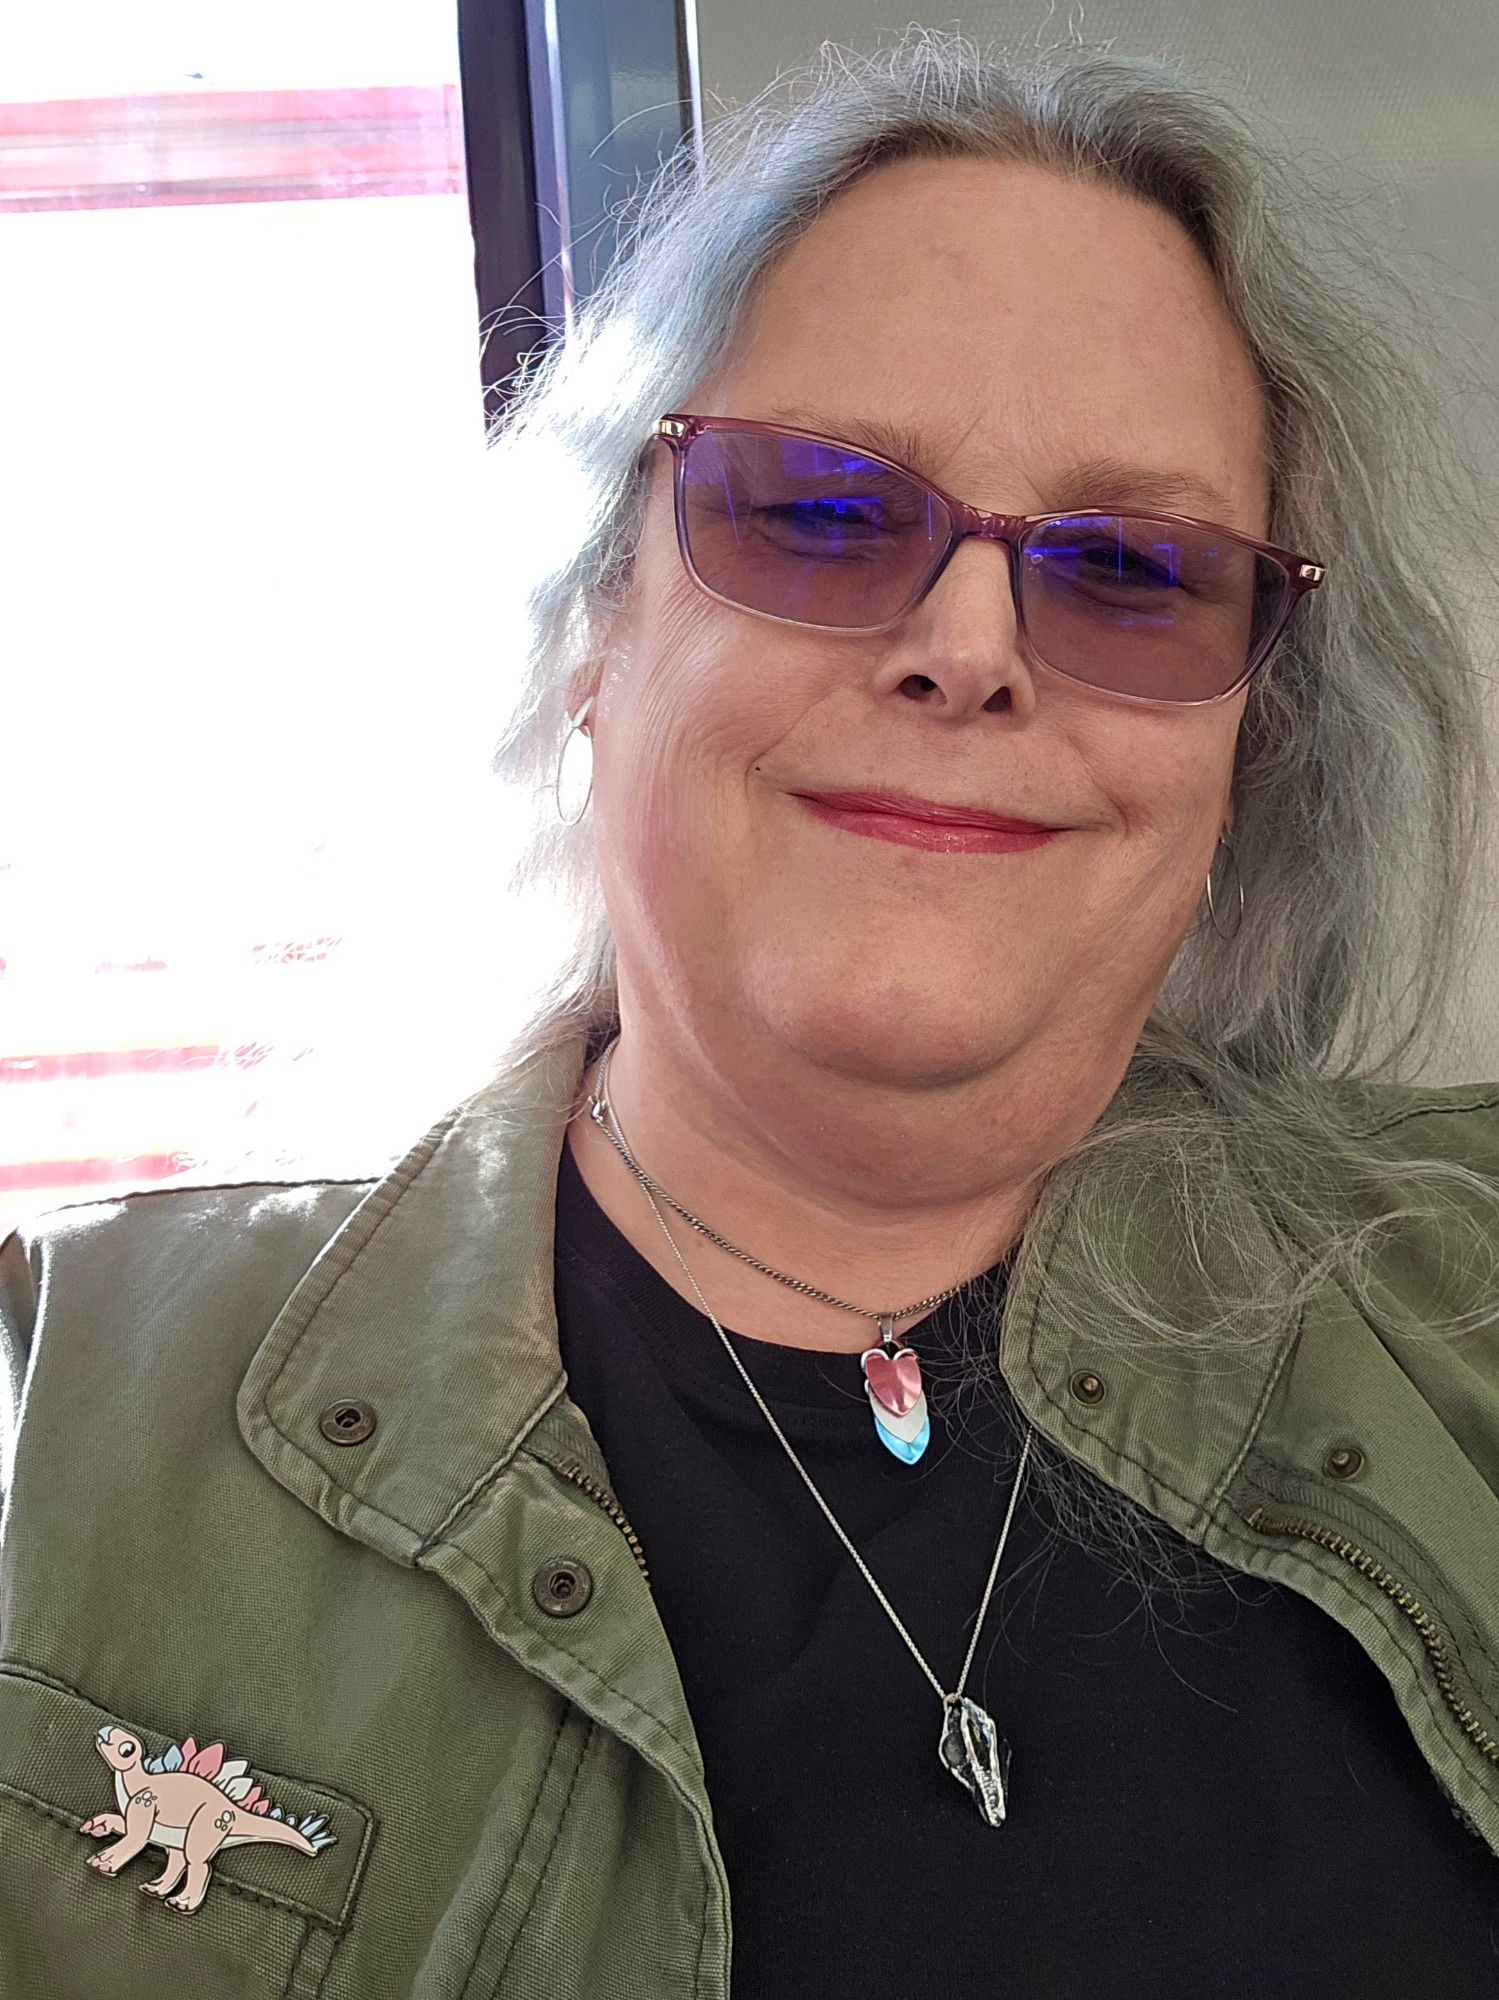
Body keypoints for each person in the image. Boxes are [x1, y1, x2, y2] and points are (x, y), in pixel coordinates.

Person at [4, 24, 1499, 2000]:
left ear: (1241, 759)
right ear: (597, 632)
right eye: (817, 511)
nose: (969, 647)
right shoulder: (57, 1433)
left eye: (1131, 569)